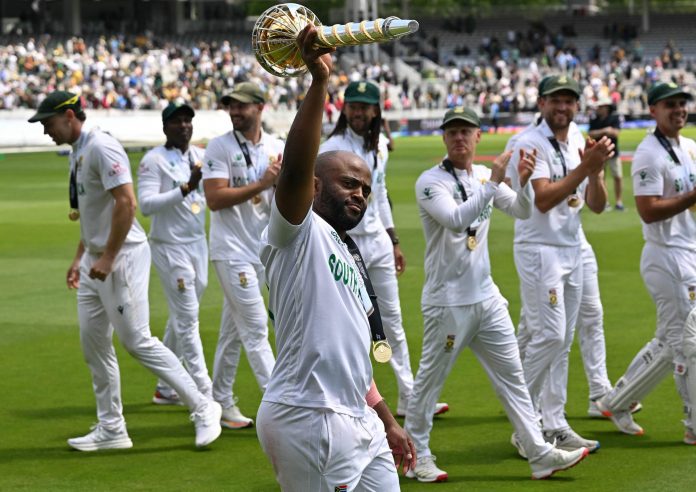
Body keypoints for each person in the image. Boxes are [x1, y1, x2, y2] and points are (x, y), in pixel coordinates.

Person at [256, 26, 416, 490]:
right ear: (314, 186)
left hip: (361, 420)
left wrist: (386, 418)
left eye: (365, 188)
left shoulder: (349, 250)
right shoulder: (298, 232)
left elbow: (350, 353)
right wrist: (320, 81)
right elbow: (294, 168)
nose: (360, 194)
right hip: (307, 415)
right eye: (348, 184)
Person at [405, 106, 589, 482]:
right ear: (444, 137)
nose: (459, 138)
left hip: (486, 298)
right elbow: (456, 221)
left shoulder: (482, 176)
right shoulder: (430, 181)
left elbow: (521, 210)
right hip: (448, 301)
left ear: (478, 137)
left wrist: (523, 181)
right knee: (429, 382)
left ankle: (539, 453)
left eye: (466, 131)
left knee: (514, 379)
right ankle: (416, 455)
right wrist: (492, 184)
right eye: (452, 132)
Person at [29, 91, 221, 450]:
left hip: (122, 256)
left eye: (47, 123)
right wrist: (81, 257)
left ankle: (203, 405)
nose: (45, 131)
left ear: (69, 116)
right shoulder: (78, 151)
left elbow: (128, 203)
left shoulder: (102, 147)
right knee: (94, 344)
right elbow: (93, 213)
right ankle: (112, 428)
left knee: (138, 341)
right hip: (96, 260)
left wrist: (107, 257)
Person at [320, 80, 447, 417]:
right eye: (353, 106)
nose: (358, 112)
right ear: (345, 108)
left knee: (392, 320)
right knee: (349, 323)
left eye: (365, 107)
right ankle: (349, 398)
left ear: (376, 111)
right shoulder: (331, 148)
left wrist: (393, 240)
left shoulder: (379, 147)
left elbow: (379, 196)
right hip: (345, 241)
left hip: (377, 240)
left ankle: (410, 396)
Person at [508, 75, 613, 452]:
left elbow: (596, 205)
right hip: (540, 249)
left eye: (569, 101)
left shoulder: (578, 140)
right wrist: (586, 168)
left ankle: (553, 422)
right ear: (541, 104)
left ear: (577, 106)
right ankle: (524, 424)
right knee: (550, 337)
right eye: (555, 100)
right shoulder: (529, 142)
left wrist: (595, 172)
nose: (562, 107)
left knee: (562, 341)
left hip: (570, 247)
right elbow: (543, 199)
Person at [597, 83, 696, 441]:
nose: (679, 109)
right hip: (665, 256)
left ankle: (616, 401)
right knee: (688, 344)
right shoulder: (649, 153)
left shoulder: (686, 147)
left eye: (682, 103)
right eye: (670, 105)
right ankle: (693, 426)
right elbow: (648, 210)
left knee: (671, 342)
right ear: (653, 110)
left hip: (686, 251)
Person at [202, 82, 284, 429]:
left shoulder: (276, 147)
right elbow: (214, 199)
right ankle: (282, 408)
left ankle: (220, 399)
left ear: (260, 107)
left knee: (232, 331)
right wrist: (262, 183)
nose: (234, 111)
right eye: (231, 106)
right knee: (255, 327)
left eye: (241, 105)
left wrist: (280, 184)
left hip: (261, 248)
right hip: (231, 249)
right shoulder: (219, 146)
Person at [137, 102, 212, 404]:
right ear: (165, 127)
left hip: (198, 243)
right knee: (188, 319)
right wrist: (185, 188)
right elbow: (146, 205)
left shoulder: (200, 156)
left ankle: (165, 388)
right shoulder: (153, 160)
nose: (183, 126)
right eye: (176, 121)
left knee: (182, 317)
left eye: (187, 120)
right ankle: (205, 393)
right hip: (169, 246)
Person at [589, 97, 624, 210]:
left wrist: (601, 133)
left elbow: (616, 133)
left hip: (613, 152)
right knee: (601, 178)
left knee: (618, 177)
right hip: (599, 153)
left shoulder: (614, 118)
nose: (598, 109)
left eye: (600, 107)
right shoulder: (595, 119)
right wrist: (605, 131)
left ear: (606, 108)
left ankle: (619, 201)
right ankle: (605, 202)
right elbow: (591, 134)